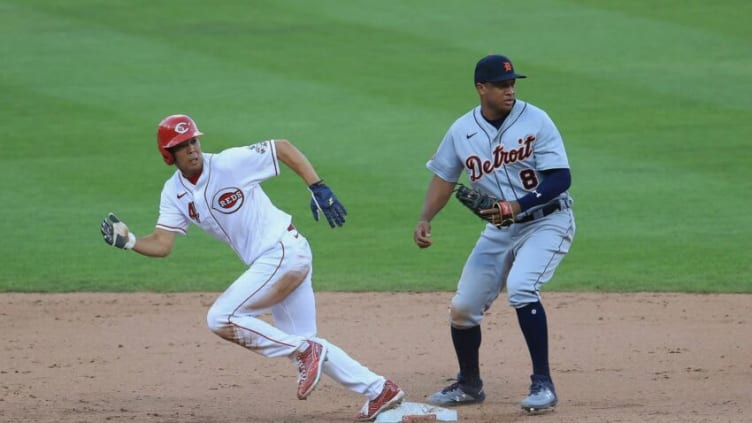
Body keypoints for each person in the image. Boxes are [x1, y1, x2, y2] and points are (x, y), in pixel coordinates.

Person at [100, 114, 405, 421]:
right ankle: (380, 390)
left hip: (282, 252)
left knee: (221, 318)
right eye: (182, 145)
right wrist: (131, 241)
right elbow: (162, 244)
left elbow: (281, 148)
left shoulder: (229, 163)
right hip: (278, 260)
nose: (192, 149)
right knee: (305, 342)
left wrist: (318, 186)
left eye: (194, 140)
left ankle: (305, 352)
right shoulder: (173, 193)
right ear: (169, 154)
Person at [413, 54, 575, 412]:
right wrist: (426, 219)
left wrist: (517, 205)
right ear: (481, 88)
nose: (510, 90)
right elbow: (444, 179)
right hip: (500, 229)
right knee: (463, 308)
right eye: (502, 85)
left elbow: (562, 178)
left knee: (522, 287)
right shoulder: (461, 130)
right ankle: (469, 384)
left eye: (512, 83)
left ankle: (543, 384)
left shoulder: (536, 119)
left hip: (548, 221)